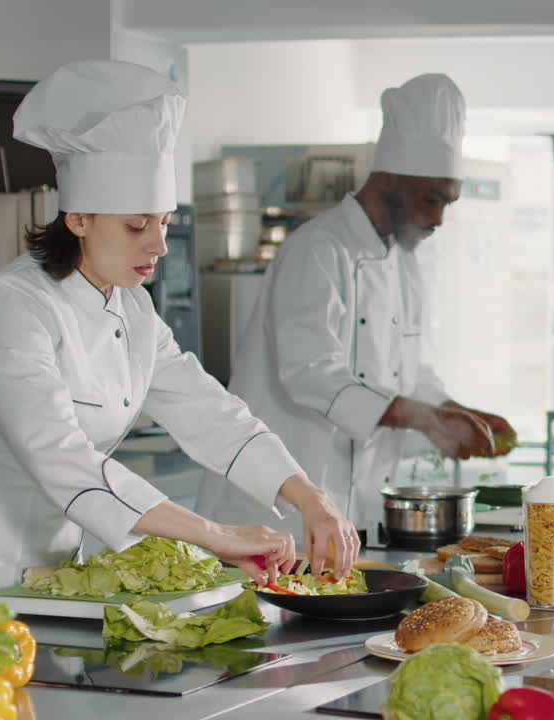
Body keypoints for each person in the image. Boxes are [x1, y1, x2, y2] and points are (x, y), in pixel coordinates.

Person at [0, 60, 356, 609]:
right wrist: (216, 536)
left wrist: (310, 497)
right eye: (137, 225)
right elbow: (63, 458)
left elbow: (210, 412)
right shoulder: (12, 306)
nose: (158, 245)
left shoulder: (132, 310)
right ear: (79, 218)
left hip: (48, 580)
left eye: (161, 221)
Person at [195, 74, 515, 544]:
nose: (438, 218)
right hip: (275, 512)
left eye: (447, 202)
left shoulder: (406, 261)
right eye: (430, 199)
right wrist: (425, 419)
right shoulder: (318, 249)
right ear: (388, 182)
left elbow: (414, 373)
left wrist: (458, 412)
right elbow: (309, 372)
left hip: (355, 509)